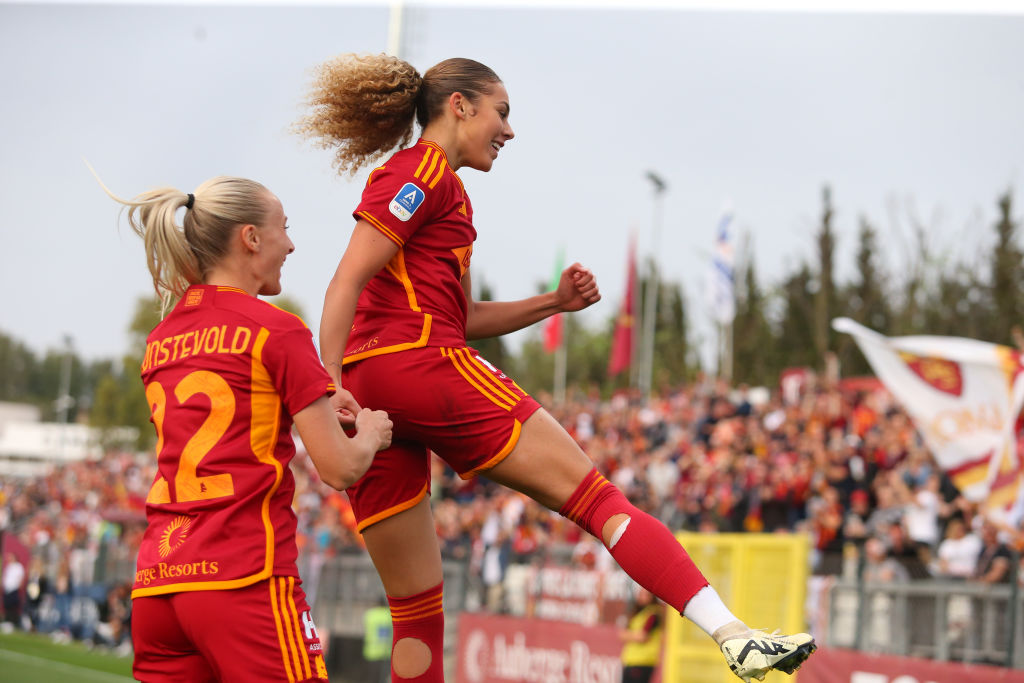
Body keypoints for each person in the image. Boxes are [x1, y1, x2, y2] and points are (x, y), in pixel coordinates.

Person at [298, 53, 815, 683]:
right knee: (598, 500)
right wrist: (327, 387)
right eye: (502, 112)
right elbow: (345, 279)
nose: (509, 131)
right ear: (459, 105)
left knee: (415, 609)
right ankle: (735, 635)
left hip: (379, 392)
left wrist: (555, 304)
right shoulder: (423, 173)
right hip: (418, 366)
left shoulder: (442, 190)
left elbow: (462, 315)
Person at [100, 174, 393, 682]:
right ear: (251, 238)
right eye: (284, 228)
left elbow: (230, 409)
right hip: (242, 577)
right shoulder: (276, 328)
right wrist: (371, 431)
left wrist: (318, 395)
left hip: (157, 584)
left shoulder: (161, 339)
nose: (292, 243)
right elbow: (340, 468)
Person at [618, 588, 664, 683]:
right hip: (632, 660)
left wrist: (627, 635)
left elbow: (642, 636)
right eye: (641, 594)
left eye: (646, 595)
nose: (642, 598)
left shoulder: (653, 613)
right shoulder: (639, 613)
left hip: (643, 661)